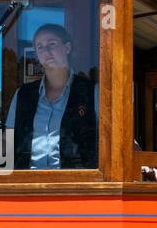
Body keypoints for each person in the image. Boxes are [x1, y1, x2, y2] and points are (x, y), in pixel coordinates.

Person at [5, 22, 98, 169]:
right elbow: (8, 141)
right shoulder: (23, 94)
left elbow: (110, 136)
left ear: (67, 48)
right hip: (27, 184)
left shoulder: (91, 92)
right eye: (40, 47)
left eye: (52, 44)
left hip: (76, 185)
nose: (46, 51)